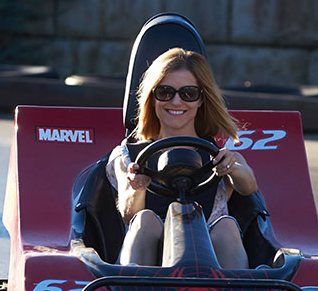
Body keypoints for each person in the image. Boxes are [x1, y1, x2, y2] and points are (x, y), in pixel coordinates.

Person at [106, 48, 258, 267]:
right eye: (165, 92)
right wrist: (138, 187)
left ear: (201, 100)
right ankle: (134, 288)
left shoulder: (221, 156)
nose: (176, 102)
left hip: (208, 262)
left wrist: (232, 169)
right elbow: (129, 214)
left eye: (188, 93)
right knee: (145, 221)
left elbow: (249, 187)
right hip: (150, 260)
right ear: (152, 98)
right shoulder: (127, 156)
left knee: (226, 226)